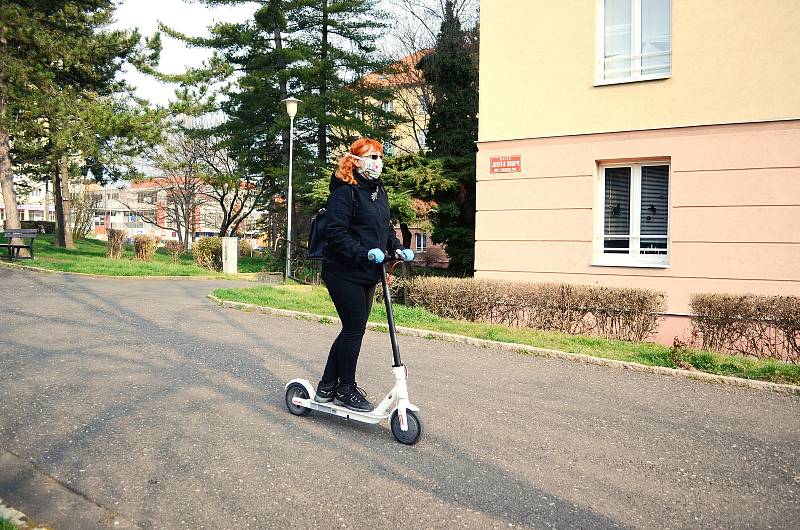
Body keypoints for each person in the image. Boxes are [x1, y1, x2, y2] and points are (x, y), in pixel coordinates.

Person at [315, 138, 414, 412]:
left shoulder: (378, 190)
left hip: (368, 273)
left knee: (351, 329)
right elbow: (335, 234)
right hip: (343, 271)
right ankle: (344, 389)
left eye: (380, 157)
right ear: (355, 160)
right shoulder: (344, 192)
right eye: (371, 157)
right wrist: (364, 253)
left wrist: (397, 248)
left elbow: (384, 229)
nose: (377, 162)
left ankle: (326, 387)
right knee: (355, 328)